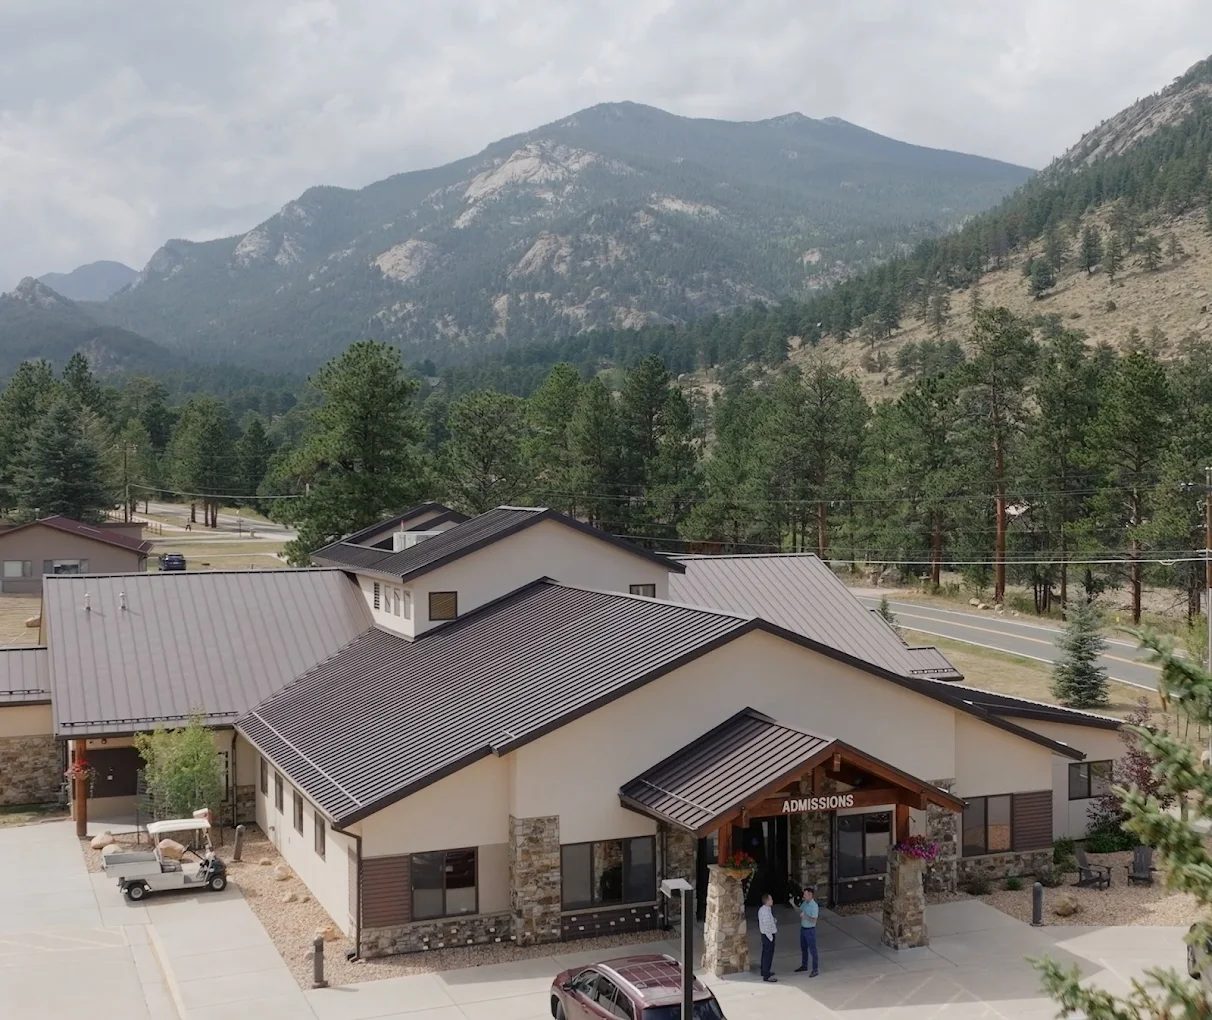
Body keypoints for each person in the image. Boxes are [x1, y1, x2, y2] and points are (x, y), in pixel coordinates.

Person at [791, 885, 819, 976]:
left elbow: (814, 920)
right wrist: (792, 904)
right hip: (803, 929)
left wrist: (805, 917)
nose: (804, 896)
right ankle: (804, 965)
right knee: (804, 949)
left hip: (810, 930)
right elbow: (799, 911)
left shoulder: (814, 906)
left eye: (805, 895)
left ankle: (815, 969)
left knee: (813, 950)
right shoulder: (805, 903)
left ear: (810, 895)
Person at [757, 892, 778, 982]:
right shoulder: (765, 912)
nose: (772, 900)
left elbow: (770, 920)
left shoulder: (766, 909)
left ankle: (764, 970)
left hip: (765, 935)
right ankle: (766, 975)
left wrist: (774, 920)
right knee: (768, 955)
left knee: (765, 954)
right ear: (767, 901)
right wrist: (770, 937)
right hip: (768, 936)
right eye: (771, 899)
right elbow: (766, 925)